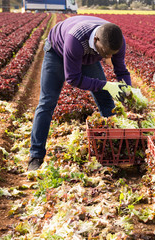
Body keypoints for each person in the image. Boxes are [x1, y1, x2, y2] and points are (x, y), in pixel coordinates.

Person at [28, 16, 131, 171]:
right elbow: (73, 78)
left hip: (89, 54)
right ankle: (35, 156)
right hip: (57, 50)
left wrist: (128, 89)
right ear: (96, 39)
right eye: (105, 53)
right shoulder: (74, 40)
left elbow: (121, 70)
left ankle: (115, 150)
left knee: (105, 100)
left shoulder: (115, 41)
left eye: (112, 53)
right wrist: (106, 84)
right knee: (47, 102)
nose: (109, 57)